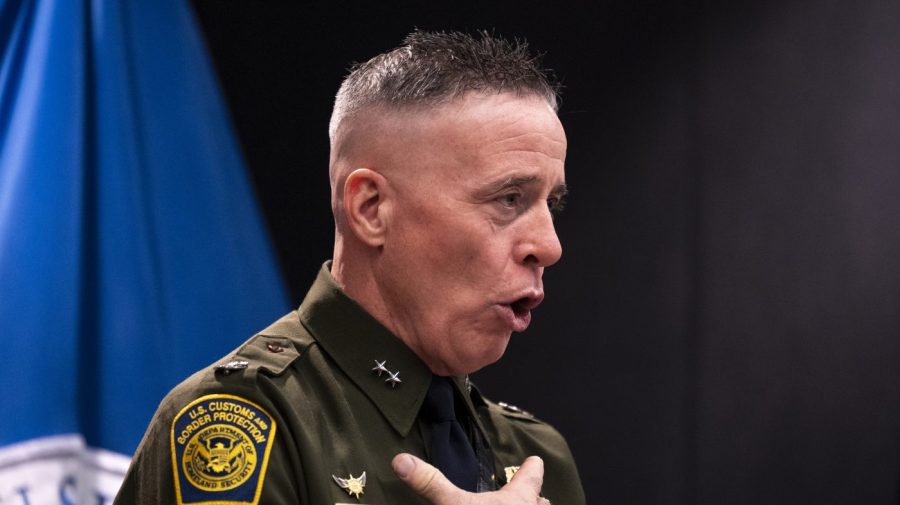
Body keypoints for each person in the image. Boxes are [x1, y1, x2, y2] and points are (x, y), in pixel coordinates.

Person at [115, 30, 585, 505]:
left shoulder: (535, 456)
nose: (549, 246)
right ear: (371, 209)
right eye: (509, 199)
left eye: (551, 204)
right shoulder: (238, 426)